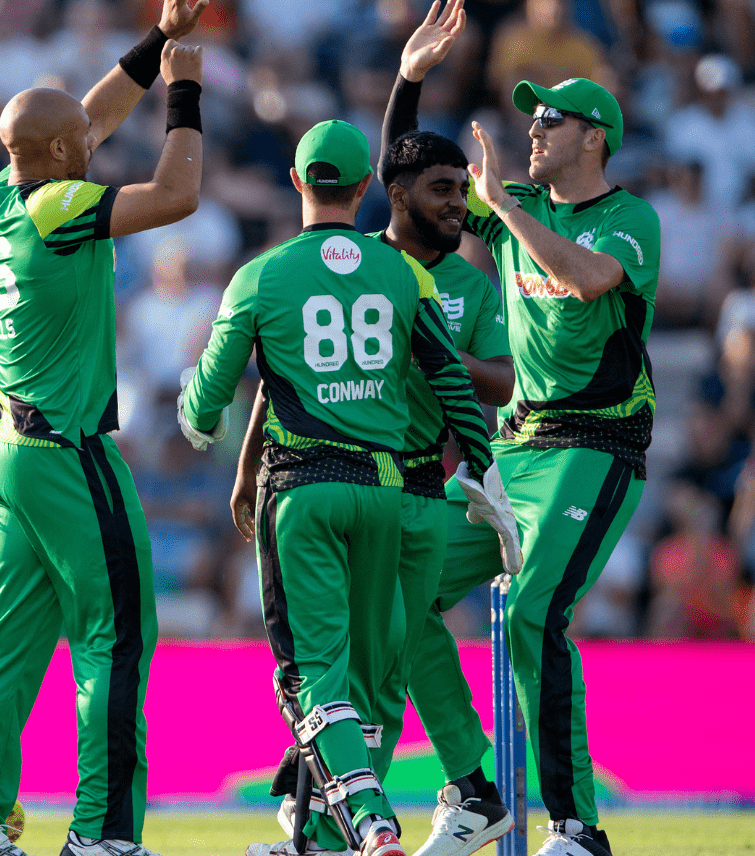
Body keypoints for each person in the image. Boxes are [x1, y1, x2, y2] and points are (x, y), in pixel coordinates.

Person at [181, 111, 512, 856]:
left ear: (297, 182)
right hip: (392, 495)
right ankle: (330, 836)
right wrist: (486, 473)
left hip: (304, 491)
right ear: (367, 187)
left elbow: (207, 404)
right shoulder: (403, 273)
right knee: (375, 681)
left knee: (312, 680)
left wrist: (201, 420)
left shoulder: (260, 275)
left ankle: (365, 825)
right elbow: (451, 381)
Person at [0, 2, 209, 855]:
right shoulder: (58, 205)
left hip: (5, 451)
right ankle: (101, 833)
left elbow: (83, 119)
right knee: (117, 638)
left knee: (4, 651)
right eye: (79, 146)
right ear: (57, 158)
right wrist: (185, 92)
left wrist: (157, 39)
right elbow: (178, 193)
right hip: (64, 456)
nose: (94, 142)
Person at [388, 9, 660, 855]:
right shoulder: (521, 205)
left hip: (596, 446)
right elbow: (406, 179)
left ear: (597, 137)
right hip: (515, 447)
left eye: (552, 119)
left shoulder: (627, 218)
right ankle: (474, 790)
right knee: (400, 596)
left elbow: (584, 281)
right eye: (532, 115)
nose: (532, 128)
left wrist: (503, 205)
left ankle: (577, 827)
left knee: (536, 614)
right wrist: (409, 79)